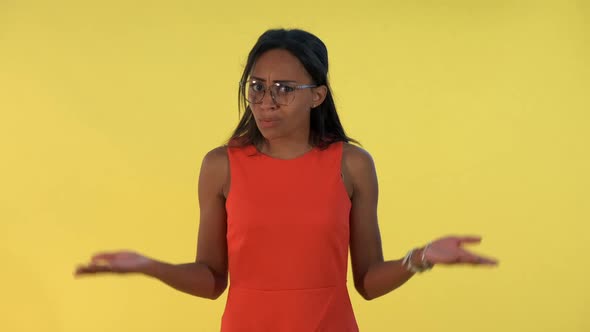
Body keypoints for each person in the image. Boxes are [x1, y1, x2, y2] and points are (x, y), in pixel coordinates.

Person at [75, 28, 498, 331]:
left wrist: (421, 257)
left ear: (317, 95)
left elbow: (367, 282)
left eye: (283, 88)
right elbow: (211, 280)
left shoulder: (352, 165)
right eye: (256, 87)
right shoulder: (220, 166)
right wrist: (150, 266)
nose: (266, 101)